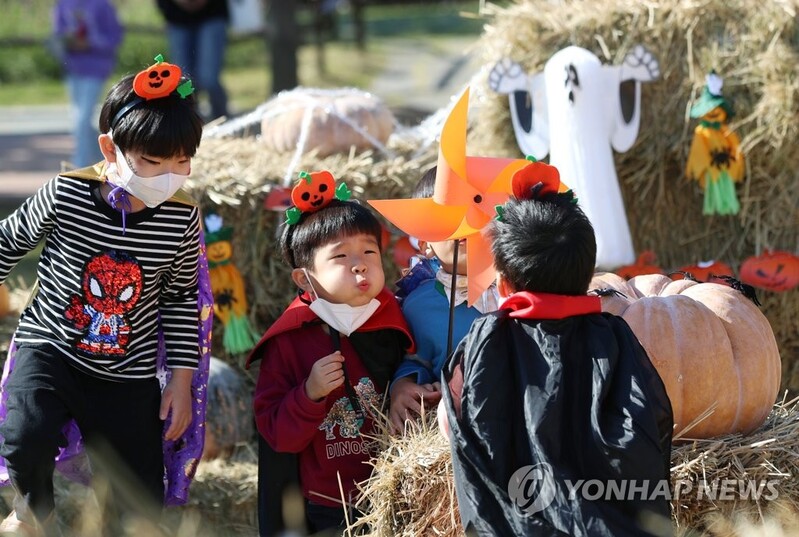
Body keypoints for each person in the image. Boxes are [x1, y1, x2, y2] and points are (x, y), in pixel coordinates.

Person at [0, 59, 207, 534]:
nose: (169, 175)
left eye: (182, 162)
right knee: (24, 436)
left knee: (138, 496)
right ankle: (33, 514)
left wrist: (180, 378)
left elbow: (178, 299)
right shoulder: (66, 193)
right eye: (153, 162)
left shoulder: (181, 219)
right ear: (110, 148)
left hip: (127, 371)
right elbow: (6, 242)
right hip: (51, 345)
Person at [439, 162, 674, 536]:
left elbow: (458, 427)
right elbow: (649, 421)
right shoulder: (614, 335)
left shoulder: (486, 341)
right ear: (587, 276)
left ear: (503, 284)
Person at [248, 178, 414, 534]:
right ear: (305, 279)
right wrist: (309, 394)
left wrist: (406, 383)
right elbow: (276, 431)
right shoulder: (289, 341)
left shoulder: (396, 324)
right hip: (330, 504)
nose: (360, 265)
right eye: (341, 256)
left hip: (399, 493)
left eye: (369, 252)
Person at [389, 166, 498, 433]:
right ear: (424, 243)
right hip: (458, 429)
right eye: (449, 216)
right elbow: (415, 360)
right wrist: (403, 385)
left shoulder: (522, 285)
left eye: (477, 208)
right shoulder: (417, 306)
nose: (467, 223)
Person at [52, 0, 124, 167]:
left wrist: (90, 42)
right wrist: (67, 42)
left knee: (82, 119)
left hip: (96, 68)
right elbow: (58, 34)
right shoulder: (63, 4)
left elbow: (114, 37)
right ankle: (105, 161)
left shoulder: (102, 5)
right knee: (80, 121)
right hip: (72, 68)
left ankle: (79, 168)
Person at [156, 0, 230, 120]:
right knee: (182, 79)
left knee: (209, 78)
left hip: (212, 13)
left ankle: (223, 119)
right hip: (176, 17)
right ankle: (188, 121)